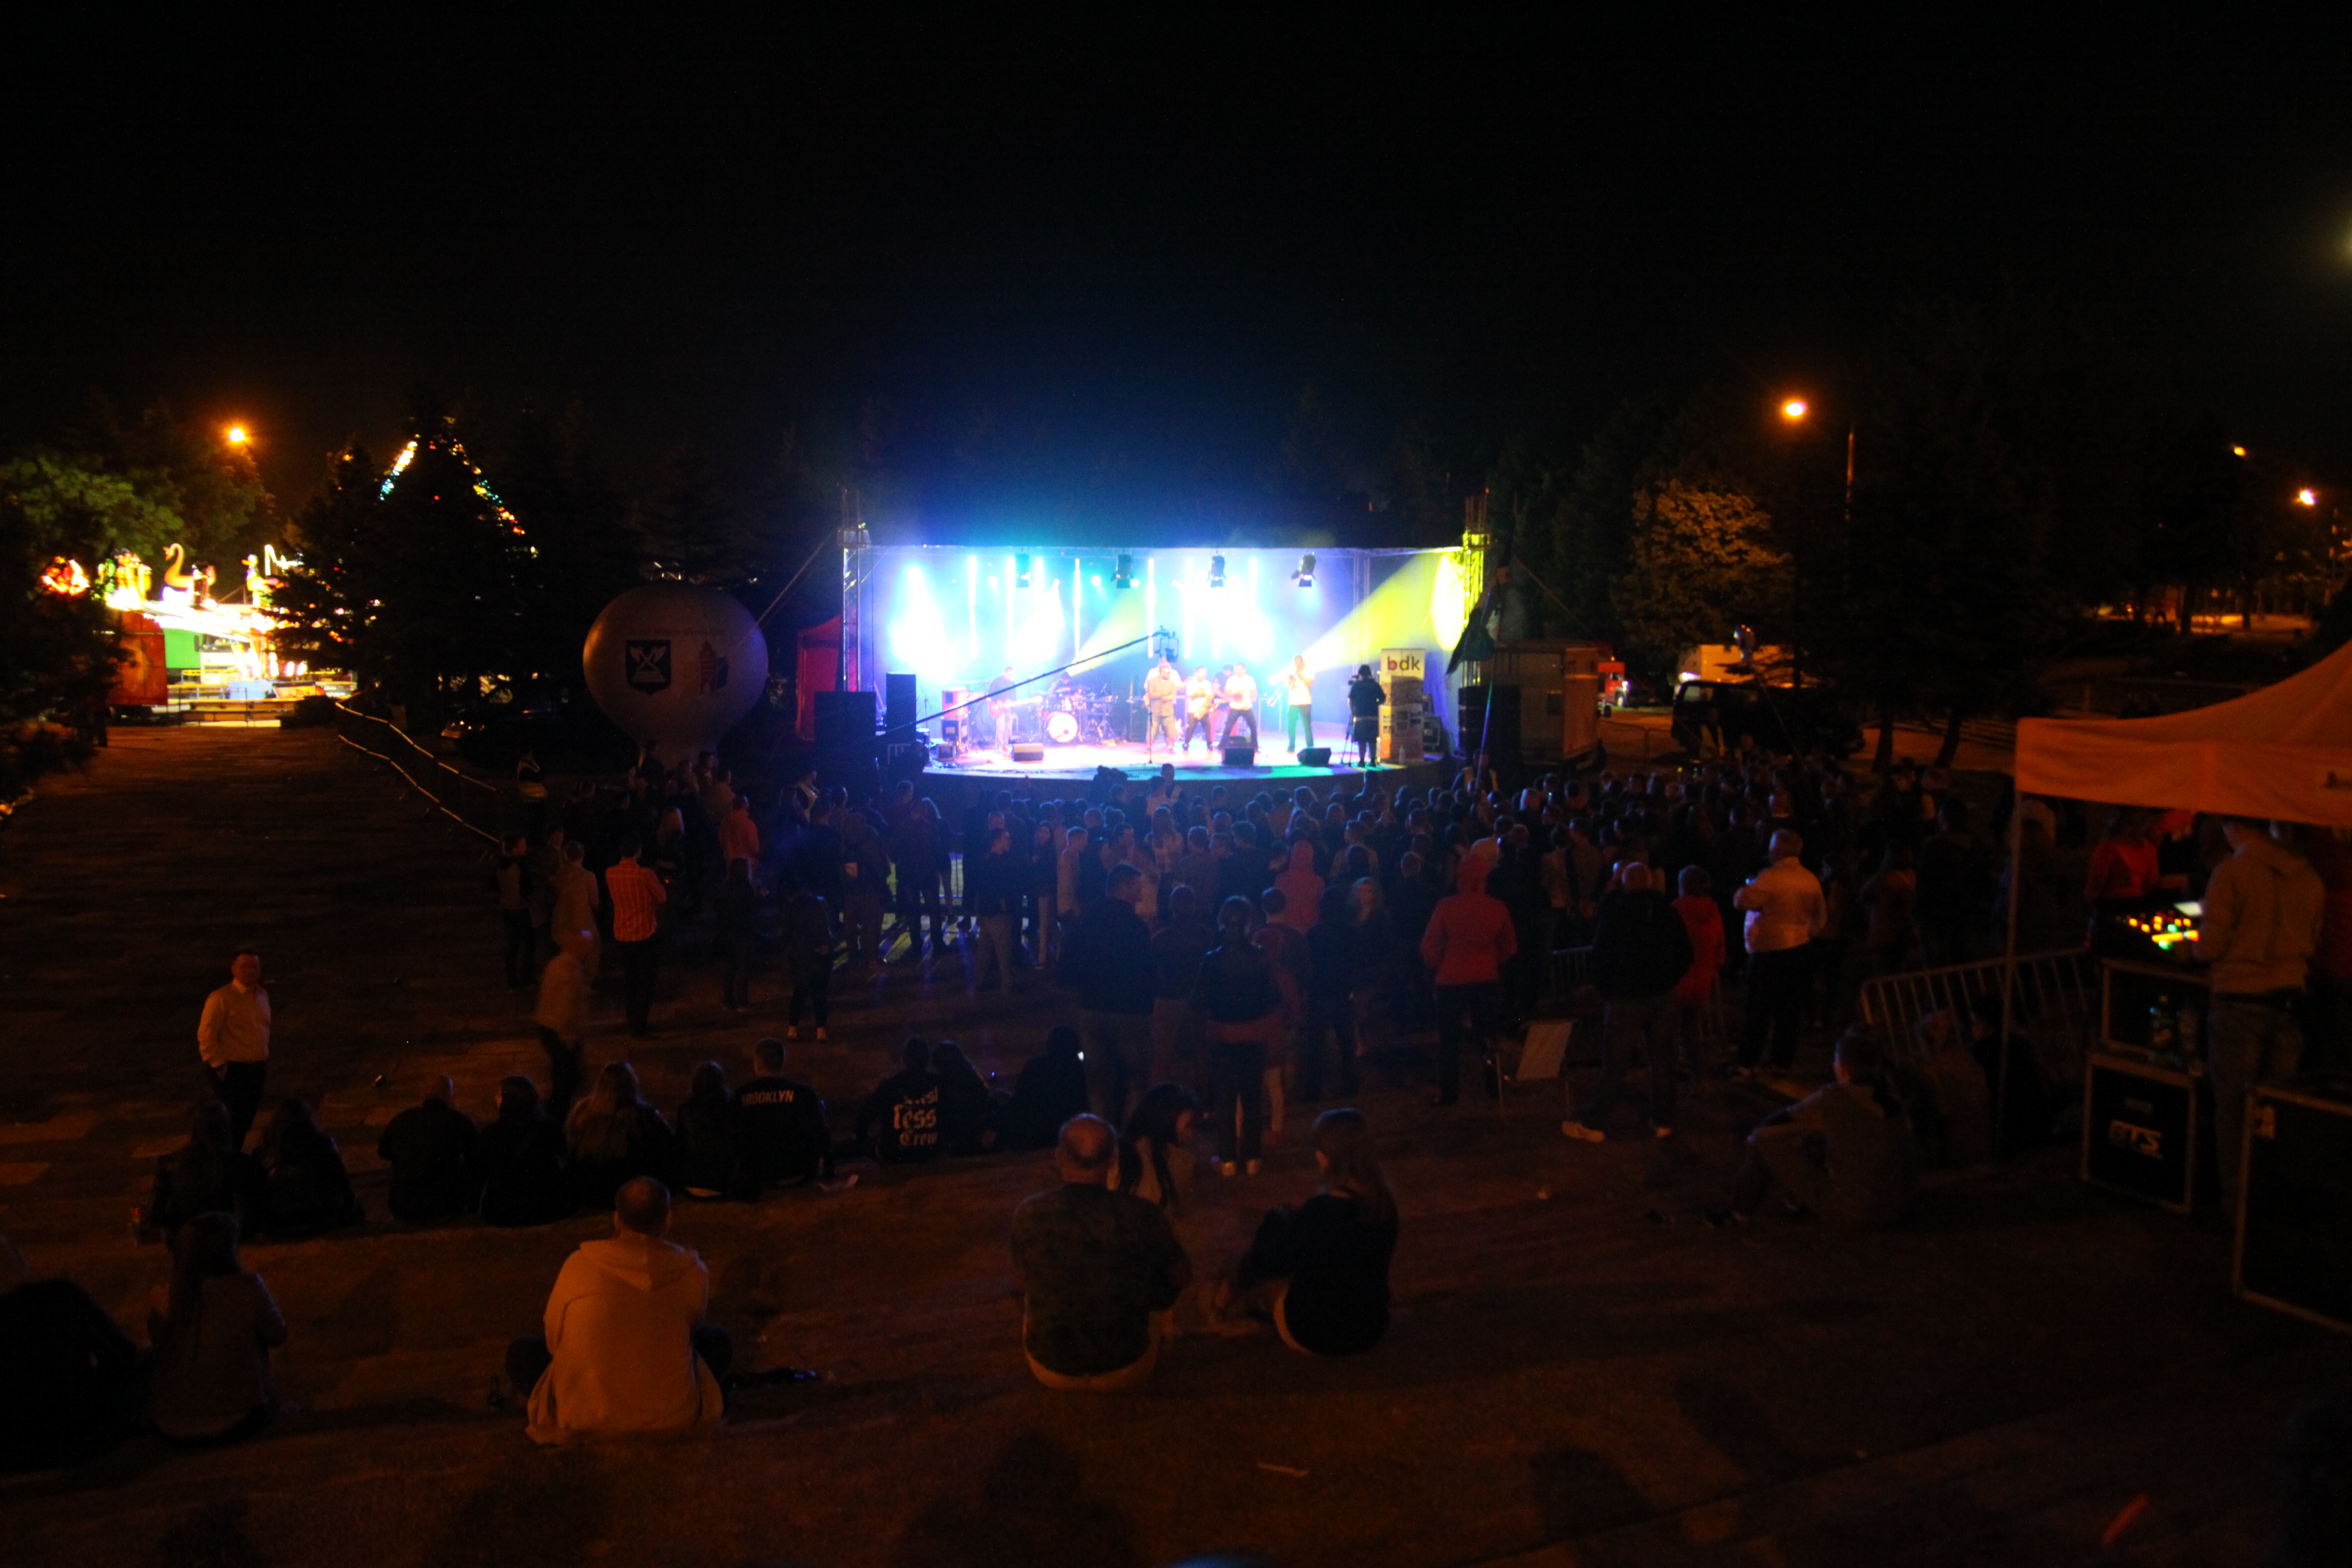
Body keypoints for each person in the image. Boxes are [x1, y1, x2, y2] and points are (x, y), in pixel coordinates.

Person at [511, 1178, 729, 1443]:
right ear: (668, 1220)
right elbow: (692, 1330)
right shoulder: (692, 1271)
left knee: (523, 1352)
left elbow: (553, 1338)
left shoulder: (579, 1264)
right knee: (716, 1340)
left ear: (617, 1219)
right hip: (672, 1419)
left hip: (586, 1418)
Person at [2196, 817, 2326, 1205]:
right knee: (2274, 1110)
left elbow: (2211, 945)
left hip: (2240, 1000)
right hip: (2289, 1000)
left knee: (2235, 1109)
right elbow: (2313, 939)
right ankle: (2268, 1205)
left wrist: (2188, 949)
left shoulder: (2231, 873)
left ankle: (2236, 1206)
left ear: (2233, 826)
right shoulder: (2308, 875)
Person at [1009, 1115, 1191, 1392]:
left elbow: (1021, 1283)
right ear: (1113, 1158)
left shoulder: (1029, 1213)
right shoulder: (1142, 1214)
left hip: (1050, 1368)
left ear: (1059, 1157)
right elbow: (1181, 1275)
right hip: (1128, 1366)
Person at [1213, 1107, 1398, 1356]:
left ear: (1326, 1156)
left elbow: (1272, 1262)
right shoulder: (1384, 1205)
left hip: (1315, 1333)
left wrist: (1275, 1220)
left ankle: (1221, 1303)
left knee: (1265, 1278)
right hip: (1370, 1328)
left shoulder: (1321, 1212)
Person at [1707, 1030, 1921, 1228]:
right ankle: (1797, 1199)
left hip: (1856, 1212)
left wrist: (1760, 1137)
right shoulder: (1890, 1091)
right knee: (1815, 1139)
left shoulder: (1835, 1097)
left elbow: (1777, 1122)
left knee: (1763, 1143)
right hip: (1901, 1207)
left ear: (1842, 1067)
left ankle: (1737, 1213)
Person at [1566, 864, 1695, 1142]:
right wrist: (1669, 979)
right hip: (1661, 995)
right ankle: (1663, 1119)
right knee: (1664, 1060)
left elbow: (1600, 957)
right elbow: (1686, 953)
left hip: (1626, 998)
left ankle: (1597, 1123)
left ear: (1624, 885)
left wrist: (1609, 989)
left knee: (1616, 1062)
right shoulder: (1668, 913)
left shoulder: (1617, 915)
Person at [0, 1235, 144, 1471]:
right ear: (18, 1262)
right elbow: (121, 1352)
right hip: (82, 1433)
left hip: (14, 1450)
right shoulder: (62, 1296)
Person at [146, 1212, 288, 1445]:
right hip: (237, 1419)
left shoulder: (166, 1295)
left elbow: (161, 1347)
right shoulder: (247, 1288)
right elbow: (278, 1335)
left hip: (169, 1424)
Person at [1193, 896, 1285, 1176]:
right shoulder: (1260, 958)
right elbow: (1274, 996)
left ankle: (1228, 1159)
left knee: (1225, 1097)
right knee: (1252, 1096)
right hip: (1254, 1034)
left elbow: (1198, 1001)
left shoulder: (1211, 960)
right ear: (1248, 924)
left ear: (1223, 924)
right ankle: (1253, 1157)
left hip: (1222, 1034)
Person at [1060, 864, 1158, 1123]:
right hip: (1129, 1012)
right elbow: (1147, 971)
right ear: (1124, 887)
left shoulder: (1087, 921)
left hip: (1092, 1009)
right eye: (1137, 887)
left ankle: (1101, 1136)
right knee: (1137, 1080)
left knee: (1098, 1084)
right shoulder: (1135, 926)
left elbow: (1066, 968)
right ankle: (1129, 1134)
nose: (1141, 893)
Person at [1419, 860, 1519, 1105]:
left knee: (1449, 1039)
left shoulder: (1447, 907)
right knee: (1488, 1037)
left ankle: (1450, 1094)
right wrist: (1492, 960)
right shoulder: (1497, 908)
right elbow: (1510, 946)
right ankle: (1494, 1090)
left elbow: (1429, 946)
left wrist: (1441, 964)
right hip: (1486, 977)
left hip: (1451, 978)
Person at [1734, 829, 1826, 1077]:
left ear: (1777, 851)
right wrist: (1806, 934)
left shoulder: (1770, 878)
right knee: (1790, 1008)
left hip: (1769, 951)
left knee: (1758, 1009)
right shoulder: (1810, 879)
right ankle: (1782, 1060)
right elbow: (1820, 916)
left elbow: (1742, 901)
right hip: (1800, 948)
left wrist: (1746, 888)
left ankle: (1748, 1061)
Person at [566, 1062, 678, 1210]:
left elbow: (570, 1147)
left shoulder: (581, 1111)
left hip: (590, 1194)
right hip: (632, 1195)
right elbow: (669, 1149)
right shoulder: (646, 1116)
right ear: (632, 1084)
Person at [249, 1098, 364, 1237]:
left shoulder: (263, 1151)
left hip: (277, 1219)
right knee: (351, 1201)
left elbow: (257, 1191)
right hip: (318, 1214)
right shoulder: (322, 1144)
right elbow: (341, 1183)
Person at [142, 1101, 255, 1240]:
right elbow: (245, 1216)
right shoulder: (239, 1163)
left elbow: (154, 1215)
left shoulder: (169, 1163)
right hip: (225, 1235)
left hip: (188, 1236)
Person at [735, 1037, 836, 1188]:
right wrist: (828, 1170)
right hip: (799, 1172)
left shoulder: (742, 1094)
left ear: (758, 1063)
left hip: (759, 1175)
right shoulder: (803, 1093)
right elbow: (821, 1132)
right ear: (782, 1062)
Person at [377, 1075, 479, 1224]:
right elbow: (476, 1157)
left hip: (403, 1206)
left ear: (424, 1093)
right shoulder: (458, 1120)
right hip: (446, 1206)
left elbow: (384, 1152)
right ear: (449, 1095)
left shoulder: (402, 1119)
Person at [197, 947, 271, 1149]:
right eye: (244, 967)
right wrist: (218, 1065)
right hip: (233, 1069)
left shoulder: (262, 995)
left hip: (256, 1067)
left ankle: (234, 1157)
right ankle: (227, 1160)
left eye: (254, 967)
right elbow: (207, 1034)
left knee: (246, 1120)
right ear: (234, 969)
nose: (250, 971)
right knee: (233, 1121)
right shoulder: (221, 998)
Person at [476, 1076, 574, 1226]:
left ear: (509, 1099)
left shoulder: (492, 1133)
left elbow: (482, 1170)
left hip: (504, 1210)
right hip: (546, 1207)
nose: (496, 1097)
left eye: (500, 1095)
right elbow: (564, 1160)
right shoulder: (550, 1128)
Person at [1148, 885, 1216, 1084]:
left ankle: (1158, 1096)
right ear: (1193, 906)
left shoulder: (1160, 938)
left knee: (1162, 1056)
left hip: (1168, 1000)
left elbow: (1153, 972)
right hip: (1197, 1002)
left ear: (1171, 906)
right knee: (1202, 1055)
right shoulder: (1206, 936)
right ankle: (1204, 1096)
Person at [1670, 865, 1727, 1083]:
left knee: (1668, 1032)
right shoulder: (1713, 912)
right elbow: (1720, 949)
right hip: (1702, 981)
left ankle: (1670, 1078)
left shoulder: (1677, 910)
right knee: (1692, 1031)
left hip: (1676, 980)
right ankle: (1699, 1078)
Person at [607, 833, 668, 1036]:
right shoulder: (644, 875)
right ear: (639, 852)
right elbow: (662, 897)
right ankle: (640, 1025)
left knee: (630, 980)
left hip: (621, 933)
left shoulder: (610, 873)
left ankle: (632, 1019)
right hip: (643, 933)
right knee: (646, 982)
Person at [1110, 1084, 1202, 1217]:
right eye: (1188, 1125)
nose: (1191, 1134)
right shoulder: (1178, 1162)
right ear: (1166, 1121)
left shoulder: (1115, 1152)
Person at [533, 927, 595, 1123]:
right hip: (560, 1034)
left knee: (564, 1077)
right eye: (588, 946)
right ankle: (557, 1119)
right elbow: (566, 1011)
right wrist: (570, 1040)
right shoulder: (570, 973)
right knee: (567, 1080)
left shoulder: (557, 964)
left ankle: (553, 1113)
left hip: (548, 1027)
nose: (590, 950)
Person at [999, 1025, 1091, 1152]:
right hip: (1068, 1133)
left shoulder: (1036, 1065)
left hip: (1035, 1134)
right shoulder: (1080, 1070)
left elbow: (1021, 1097)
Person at [855, 1037, 946, 1165]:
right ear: (927, 1059)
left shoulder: (891, 1085)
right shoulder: (940, 1084)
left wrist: (866, 1144)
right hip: (931, 1153)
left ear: (905, 1059)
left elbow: (863, 1117)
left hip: (895, 1155)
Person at [674, 1062, 745, 1200]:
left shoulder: (685, 1110)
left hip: (691, 1183)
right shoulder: (731, 1108)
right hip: (723, 1185)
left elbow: (680, 1146)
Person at [966, 826, 1023, 994]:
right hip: (998, 912)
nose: (1009, 841)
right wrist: (1006, 905)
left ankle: (979, 981)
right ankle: (1007, 984)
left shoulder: (985, 860)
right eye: (1006, 838)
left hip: (986, 911)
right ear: (996, 842)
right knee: (1003, 950)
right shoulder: (999, 863)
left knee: (984, 948)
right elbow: (1002, 888)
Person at [780, 880, 834, 1041]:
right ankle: (821, 1031)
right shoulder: (818, 904)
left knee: (799, 992)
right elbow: (826, 927)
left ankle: (793, 1030)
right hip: (819, 953)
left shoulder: (791, 908)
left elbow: (786, 935)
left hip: (800, 955)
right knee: (819, 993)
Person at [933, 1040, 995, 1156]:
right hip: (976, 1135)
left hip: (956, 1138)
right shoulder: (973, 1076)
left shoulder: (942, 1084)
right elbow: (987, 1099)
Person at [714, 855, 759, 1013]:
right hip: (742, 933)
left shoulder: (725, 887)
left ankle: (728, 1001)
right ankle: (742, 1003)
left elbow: (718, 909)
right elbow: (751, 910)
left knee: (729, 968)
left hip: (725, 933)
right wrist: (761, 899)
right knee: (742, 968)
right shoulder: (746, 889)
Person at [495, 833, 535, 989]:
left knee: (513, 944)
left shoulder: (501, 864)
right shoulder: (520, 864)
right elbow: (527, 888)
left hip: (506, 908)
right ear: (515, 848)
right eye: (522, 845)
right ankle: (526, 977)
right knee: (529, 942)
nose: (525, 848)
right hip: (519, 908)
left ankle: (511, 980)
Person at [1346, 664, 1385, 768]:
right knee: (1372, 740)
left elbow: (1350, 699)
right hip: (1373, 716)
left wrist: (1352, 711)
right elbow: (1383, 698)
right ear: (1370, 673)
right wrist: (1376, 705)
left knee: (1361, 740)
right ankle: (1373, 761)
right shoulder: (1375, 685)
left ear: (1360, 674)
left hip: (1360, 716)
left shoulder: (1357, 685)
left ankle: (1362, 761)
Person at [1144, 654, 1183, 758]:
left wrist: (1165, 696)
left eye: (1169, 673)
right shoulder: (1153, 681)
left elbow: (1173, 695)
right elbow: (1151, 694)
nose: (1168, 674)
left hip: (1168, 710)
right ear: (1161, 672)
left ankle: (1170, 747)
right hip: (1155, 710)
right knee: (1152, 729)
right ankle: (1149, 747)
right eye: (1167, 673)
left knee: (1170, 730)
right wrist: (1162, 695)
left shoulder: (1172, 682)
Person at [1220, 664, 1260, 750]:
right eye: (1236, 670)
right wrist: (1236, 694)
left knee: (1253, 726)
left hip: (1246, 706)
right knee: (1228, 727)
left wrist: (1245, 695)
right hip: (1235, 707)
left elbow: (1255, 693)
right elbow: (1227, 693)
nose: (1238, 671)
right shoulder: (1231, 679)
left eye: (1240, 669)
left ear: (1244, 670)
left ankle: (1255, 747)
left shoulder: (1249, 679)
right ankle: (1222, 746)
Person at [1281, 655, 1314, 752]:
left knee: (1307, 726)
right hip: (1293, 702)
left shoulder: (1308, 670)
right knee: (1291, 726)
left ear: (1302, 662)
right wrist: (1290, 678)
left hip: (1305, 702)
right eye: (1295, 663)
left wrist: (1300, 674)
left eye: (1298, 663)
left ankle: (1310, 747)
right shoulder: (1290, 671)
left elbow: (1310, 683)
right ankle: (1291, 747)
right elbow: (1286, 684)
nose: (1296, 665)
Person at [1182, 667, 1217, 753]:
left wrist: (1204, 707)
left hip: (1204, 709)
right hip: (1193, 709)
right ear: (1196, 673)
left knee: (1207, 727)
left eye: (1205, 673)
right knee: (1191, 728)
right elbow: (1191, 696)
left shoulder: (1207, 683)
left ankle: (1209, 744)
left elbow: (1208, 696)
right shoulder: (1191, 683)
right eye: (1201, 673)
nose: (1203, 675)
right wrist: (1199, 690)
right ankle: (1186, 744)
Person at [987, 665, 1018, 751]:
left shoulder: (1012, 684)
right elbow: (991, 694)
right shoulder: (997, 681)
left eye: (1012, 675)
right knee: (1001, 727)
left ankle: (1005, 744)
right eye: (1009, 674)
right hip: (999, 708)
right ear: (1004, 673)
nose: (1011, 676)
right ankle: (999, 745)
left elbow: (1014, 697)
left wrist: (1011, 701)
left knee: (1008, 728)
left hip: (1008, 708)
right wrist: (998, 701)